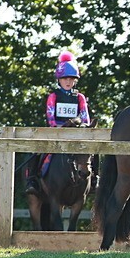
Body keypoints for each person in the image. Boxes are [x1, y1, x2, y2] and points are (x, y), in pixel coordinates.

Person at [24, 51, 92, 195]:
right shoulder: (53, 96)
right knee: (36, 150)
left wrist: (80, 127)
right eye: (65, 78)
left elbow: (85, 118)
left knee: (94, 150)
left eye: (71, 79)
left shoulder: (80, 97)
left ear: (75, 80)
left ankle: (95, 179)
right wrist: (59, 128)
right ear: (59, 80)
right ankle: (32, 180)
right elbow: (50, 117)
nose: (68, 82)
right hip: (56, 132)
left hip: (76, 133)